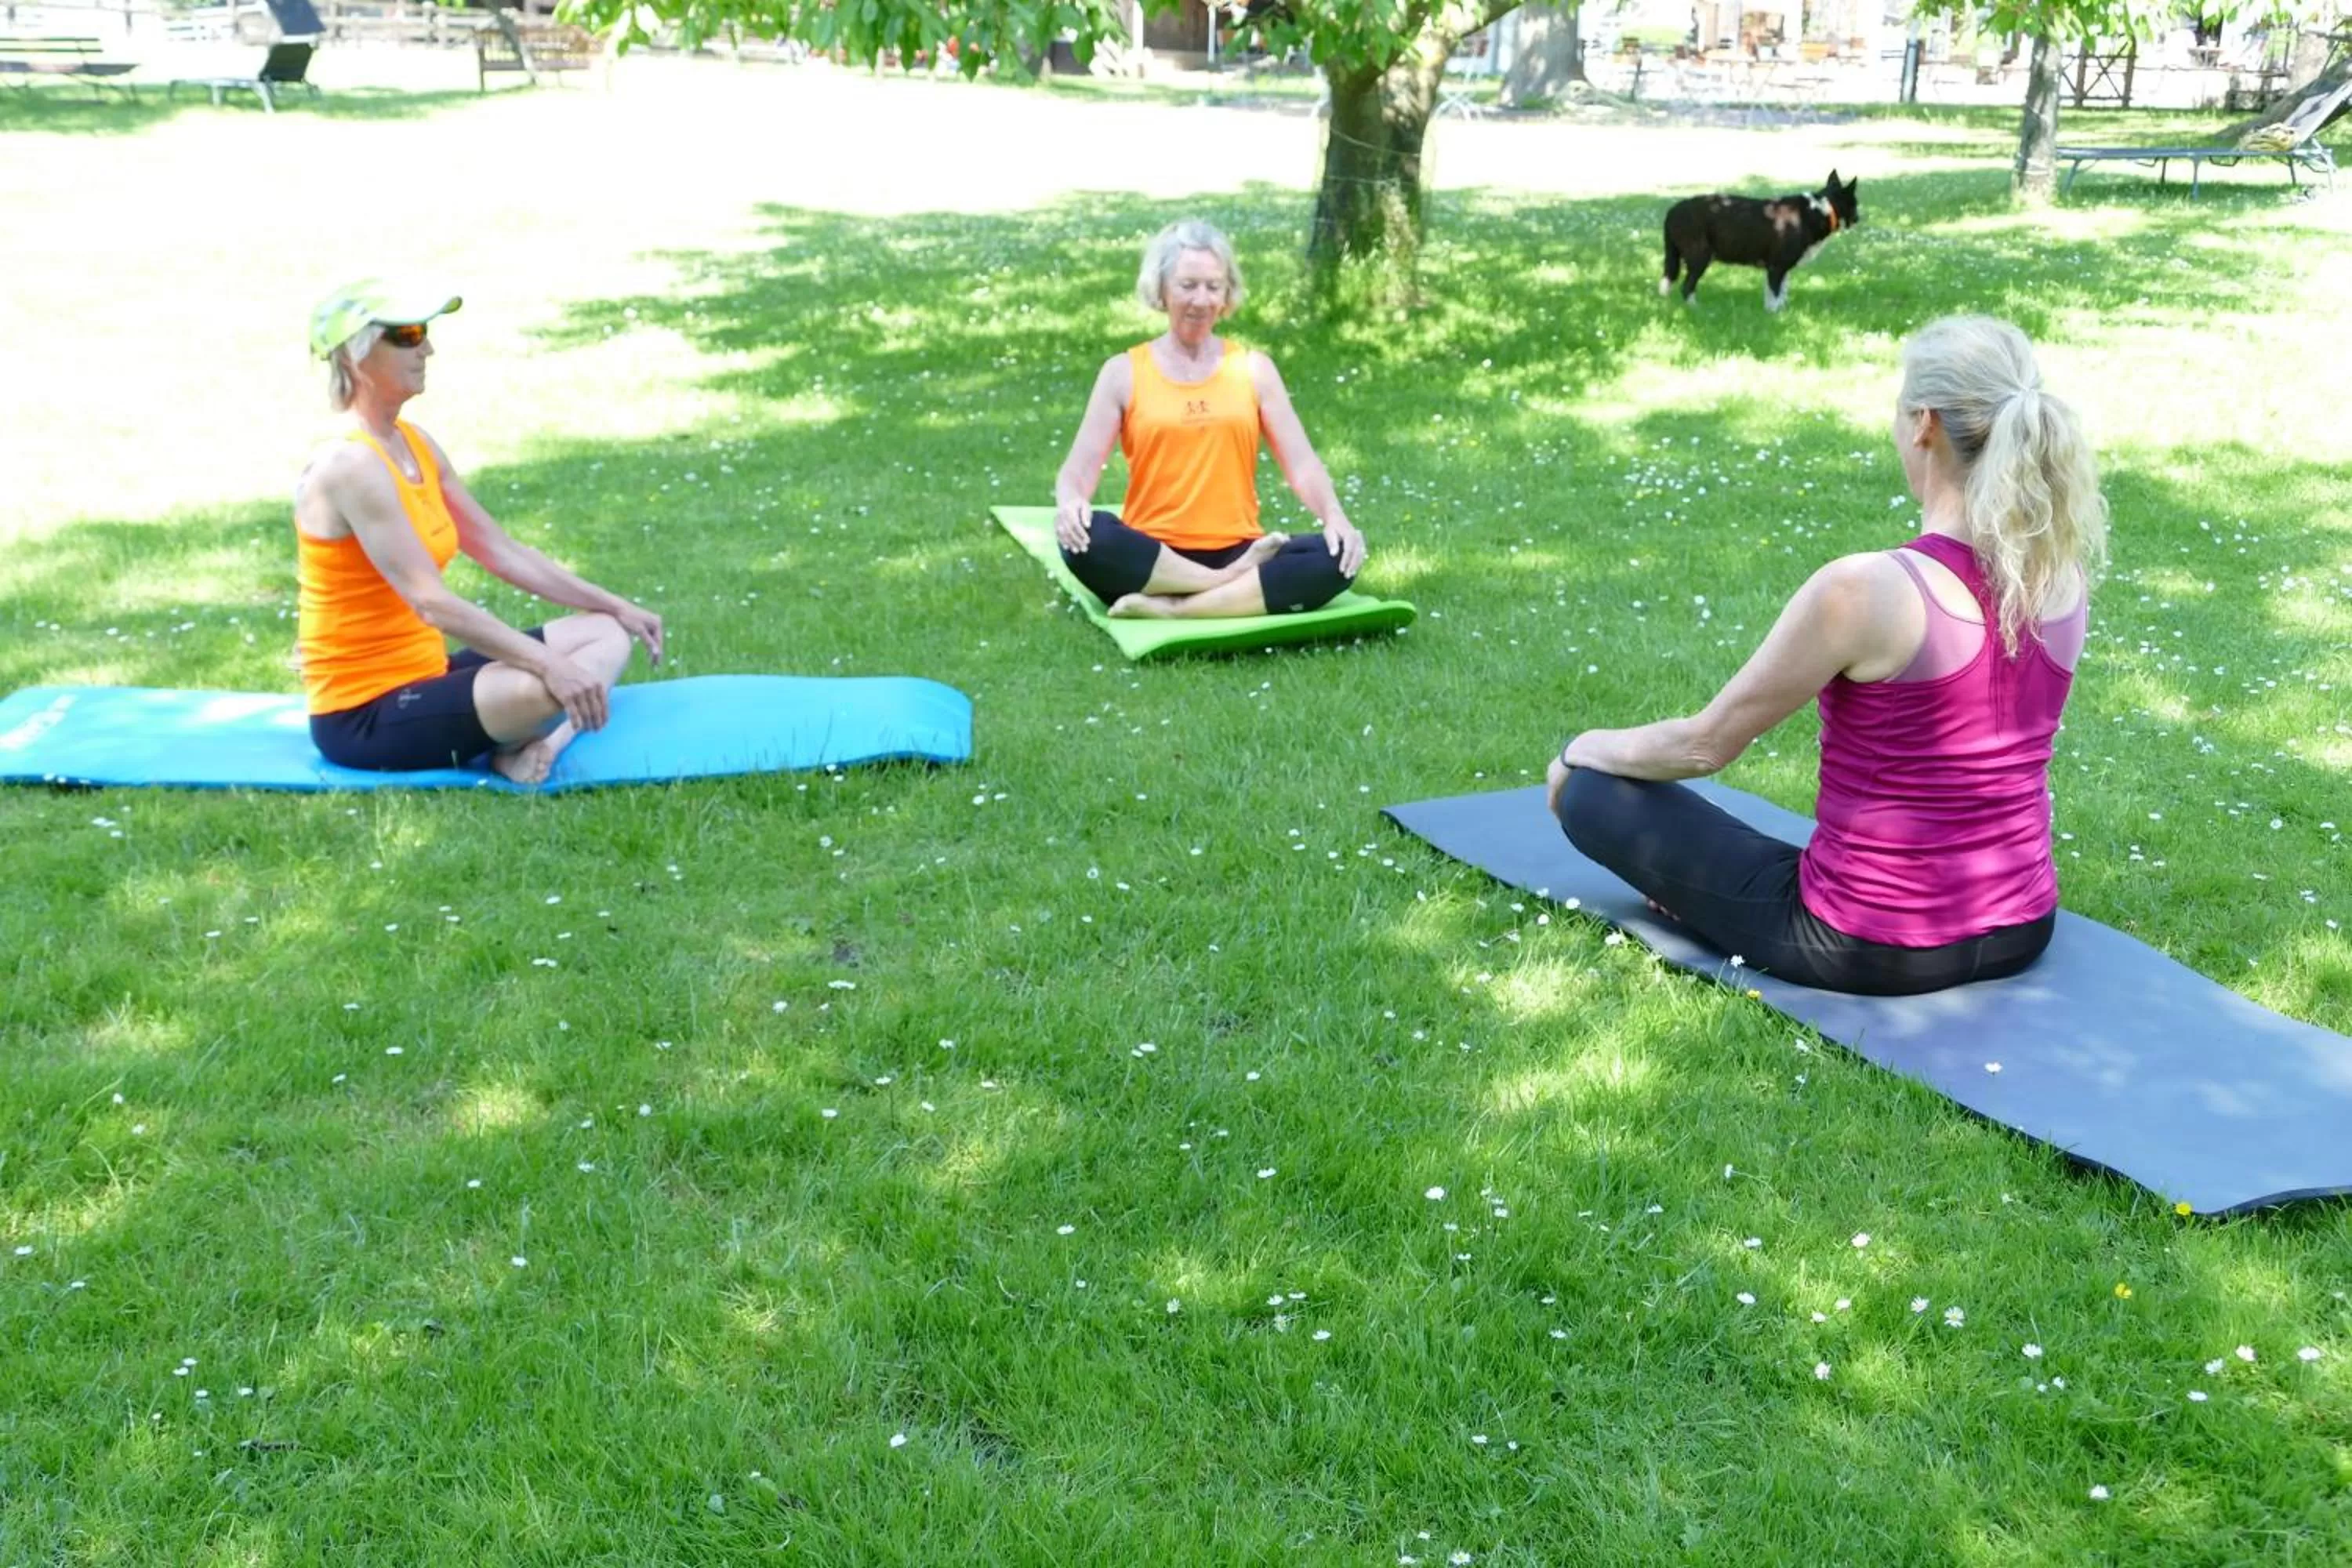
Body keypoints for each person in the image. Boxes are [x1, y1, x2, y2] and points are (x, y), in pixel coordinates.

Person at [1546, 315, 2107, 996]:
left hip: (1866, 946)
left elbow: (1704, 746)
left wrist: (1580, 751)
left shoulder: (1865, 591)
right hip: (2023, 927)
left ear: (1923, 423)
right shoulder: (2058, 577)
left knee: (1590, 793)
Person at [294, 281, 663, 785]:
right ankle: (522, 744)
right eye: (408, 334)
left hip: (429, 675)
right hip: (364, 712)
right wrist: (547, 665)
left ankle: (530, 748)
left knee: (605, 632)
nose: (427, 348)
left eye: (424, 333)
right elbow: (432, 604)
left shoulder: (415, 444)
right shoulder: (350, 465)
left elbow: (502, 551)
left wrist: (614, 604)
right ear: (356, 355)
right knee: (545, 686)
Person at [1051, 219, 1367, 619]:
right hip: (1152, 558)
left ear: (1226, 295)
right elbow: (1076, 472)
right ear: (1163, 290)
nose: (1201, 301)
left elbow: (1302, 464)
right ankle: (1222, 588)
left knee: (1336, 555)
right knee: (1084, 538)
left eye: (1213, 287)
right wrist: (1070, 504)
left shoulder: (1254, 369)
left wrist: (1335, 516)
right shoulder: (1123, 372)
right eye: (1188, 285)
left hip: (1239, 545)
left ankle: (1176, 609)